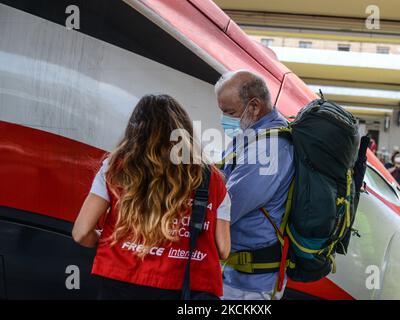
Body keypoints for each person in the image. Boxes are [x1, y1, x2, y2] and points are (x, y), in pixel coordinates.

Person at [72, 94, 231, 300]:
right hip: (187, 287)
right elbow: (223, 249)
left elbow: (81, 232)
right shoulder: (212, 178)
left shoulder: (115, 168)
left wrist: (116, 242)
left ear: (135, 130)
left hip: (121, 280)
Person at [215, 70, 294, 300]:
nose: (224, 119)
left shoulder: (269, 149)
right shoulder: (251, 135)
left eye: (229, 112)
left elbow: (226, 207)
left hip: (250, 287)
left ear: (254, 106)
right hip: (235, 276)